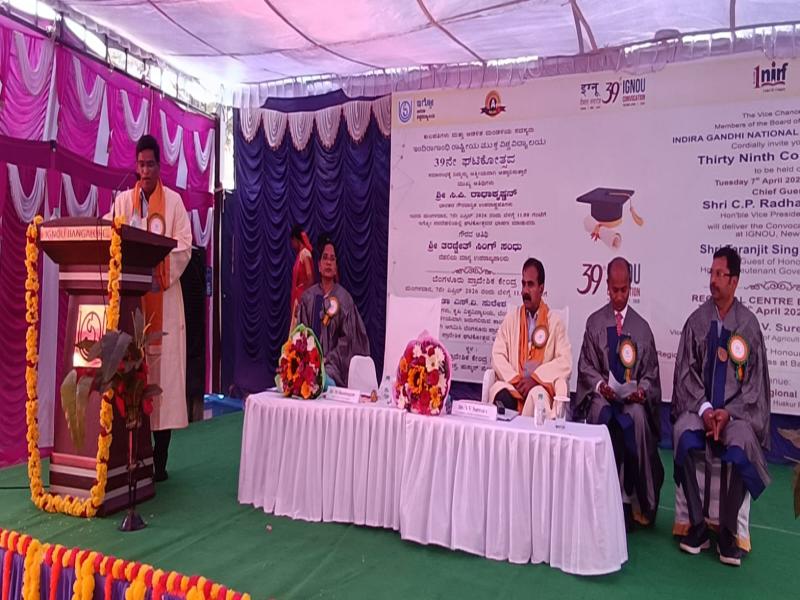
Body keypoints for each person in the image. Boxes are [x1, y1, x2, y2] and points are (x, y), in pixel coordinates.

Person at [672, 246, 771, 566]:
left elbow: (754, 387)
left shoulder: (748, 326)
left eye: (719, 274)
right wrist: (704, 410)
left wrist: (728, 413)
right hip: (700, 410)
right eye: (711, 273)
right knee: (682, 434)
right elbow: (685, 374)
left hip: (736, 415)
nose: (713, 280)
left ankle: (728, 534)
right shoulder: (697, 322)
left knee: (743, 443)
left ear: (734, 281)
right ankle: (697, 527)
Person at [106, 134, 192, 482]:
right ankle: (131, 457)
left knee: (163, 384)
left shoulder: (174, 203)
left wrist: (156, 268)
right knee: (131, 380)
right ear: (136, 165)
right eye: (140, 165)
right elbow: (109, 234)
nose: (145, 171)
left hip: (163, 303)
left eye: (151, 164)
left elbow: (185, 245)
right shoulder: (123, 202)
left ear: (159, 166)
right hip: (132, 304)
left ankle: (159, 460)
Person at [575, 257, 664, 530]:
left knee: (636, 416)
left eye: (624, 290)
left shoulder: (641, 328)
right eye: (614, 290)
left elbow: (650, 374)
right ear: (607, 286)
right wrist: (600, 386)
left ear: (630, 287)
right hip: (603, 397)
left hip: (631, 401)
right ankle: (597, 499)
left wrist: (641, 391)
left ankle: (632, 500)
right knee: (601, 413)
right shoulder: (594, 323)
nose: (619, 296)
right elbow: (586, 366)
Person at [489, 258, 571, 416]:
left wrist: (536, 378)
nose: (525, 291)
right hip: (514, 385)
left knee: (537, 397)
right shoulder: (511, 320)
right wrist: (515, 379)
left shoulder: (555, 323)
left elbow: (565, 361)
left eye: (531, 285)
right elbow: (497, 354)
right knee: (502, 396)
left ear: (541, 288)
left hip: (539, 387)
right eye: (523, 284)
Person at [297, 235, 370, 387]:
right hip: (308, 365)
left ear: (336, 267)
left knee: (324, 381)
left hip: (334, 368)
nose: (328, 262)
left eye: (332, 259)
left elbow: (348, 341)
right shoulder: (308, 298)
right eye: (325, 258)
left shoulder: (344, 300)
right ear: (319, 265)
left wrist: (328, 359)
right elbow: (301, 335)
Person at [289, 224, 314, 332]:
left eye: (292, 242)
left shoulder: (305, 254)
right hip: (299, 298)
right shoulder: (300, 254)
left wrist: (302, 301)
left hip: (302, 300)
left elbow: (310, 278)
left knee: (301, 332)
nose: (292, 245)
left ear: (296, 239)